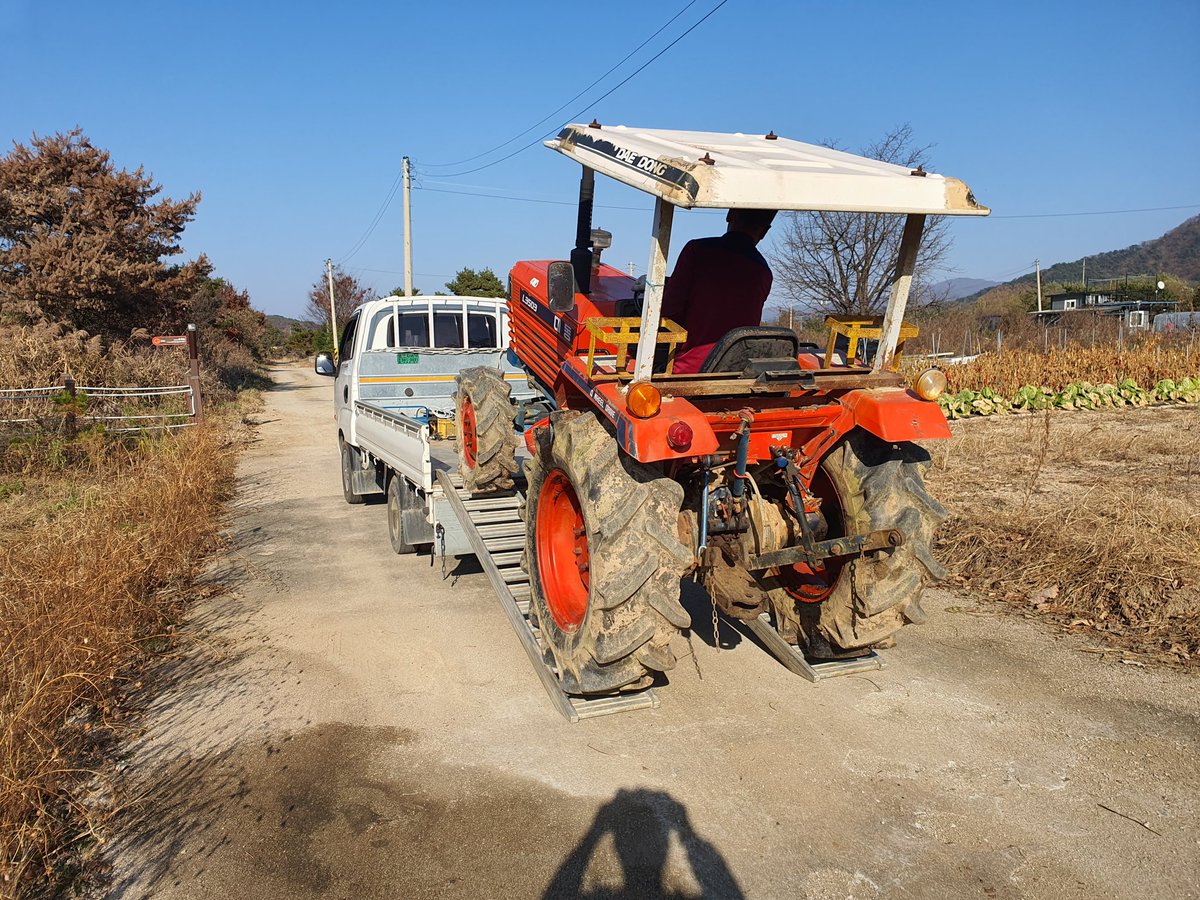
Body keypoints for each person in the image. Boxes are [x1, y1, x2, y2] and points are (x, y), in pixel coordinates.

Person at [659, 207, 776, 374]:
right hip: (738, 372)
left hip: (691, 369)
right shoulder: (764, 272)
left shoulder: (697, 251)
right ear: (764, 231)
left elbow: (670, 311)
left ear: (730, 215)